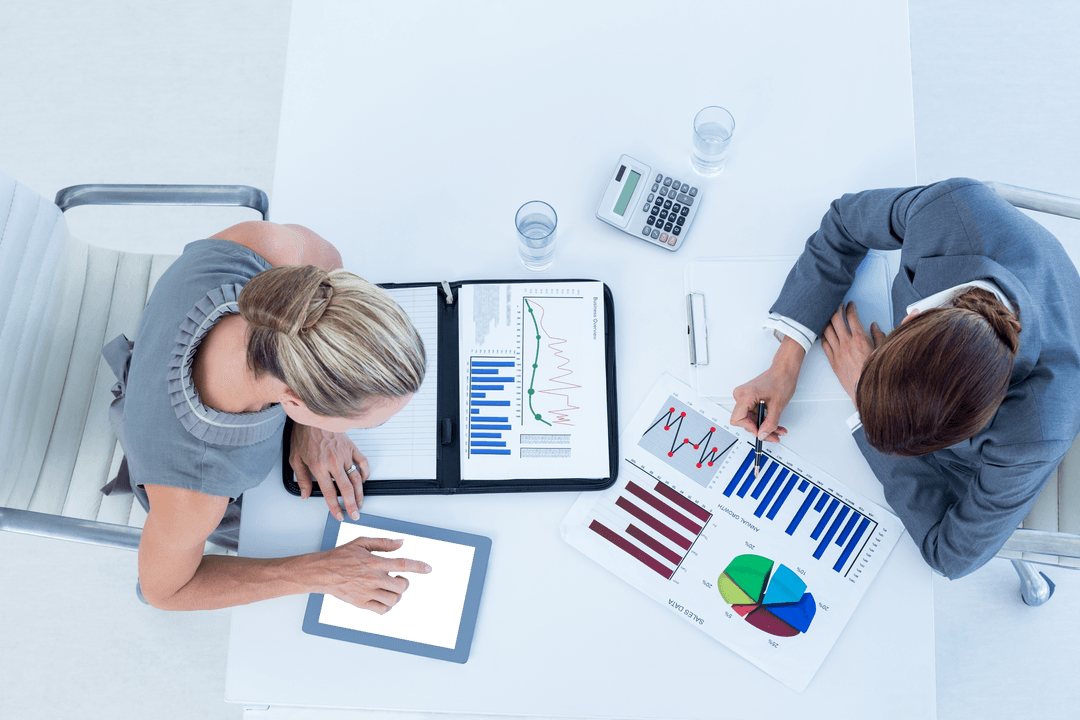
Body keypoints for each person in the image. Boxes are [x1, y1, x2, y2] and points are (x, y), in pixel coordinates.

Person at [730, 178, 1080, 579]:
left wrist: (865, 404)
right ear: (911, 318)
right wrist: (785, 365)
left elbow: (951, 556)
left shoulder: (1036, 434)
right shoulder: (949, 210)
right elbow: (844, 222)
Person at [101, 221, 432, 611]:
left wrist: (314, 428)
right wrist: (323, 573)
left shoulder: (261, 249)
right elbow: (163, 592)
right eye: (365, 423)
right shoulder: (193, 497)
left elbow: (328, 265)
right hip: (188, 474)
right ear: (293, 401)